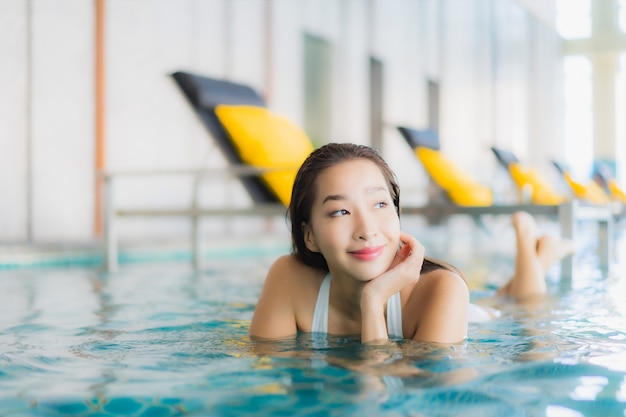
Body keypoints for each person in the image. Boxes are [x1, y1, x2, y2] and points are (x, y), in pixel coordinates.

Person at [249, 143, 575, 344]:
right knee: (503, 297)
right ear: (309, 236)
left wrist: (375, 301)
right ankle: (542, 253)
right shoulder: (288, 277)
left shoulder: (443, 289)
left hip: (475, 318)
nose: (367, 229)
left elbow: (392, 405)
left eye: (379, 205)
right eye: (341, 211)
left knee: (515, 306)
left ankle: (528, 239)